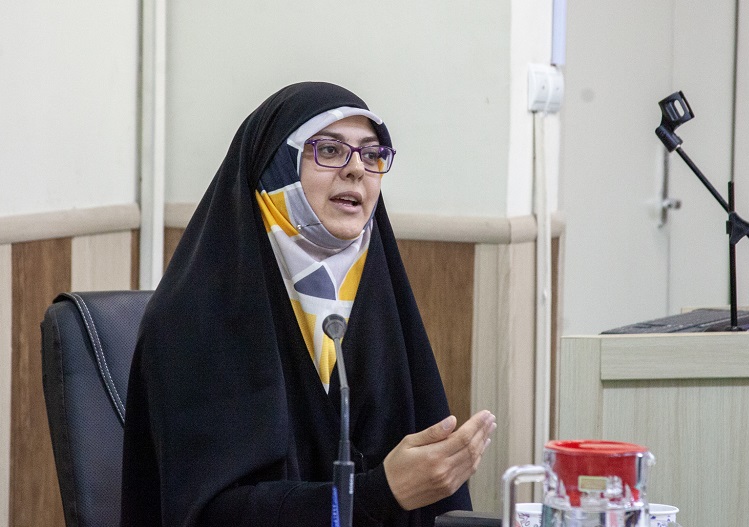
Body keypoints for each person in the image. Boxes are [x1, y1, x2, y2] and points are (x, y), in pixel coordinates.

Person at [120, 81, 496, 527]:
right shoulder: (190, 321)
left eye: (371, 154)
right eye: (330, 150)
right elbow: (206, 514)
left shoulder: (376, 298)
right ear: (277, 167)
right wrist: (377, 496)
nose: (356, 169)